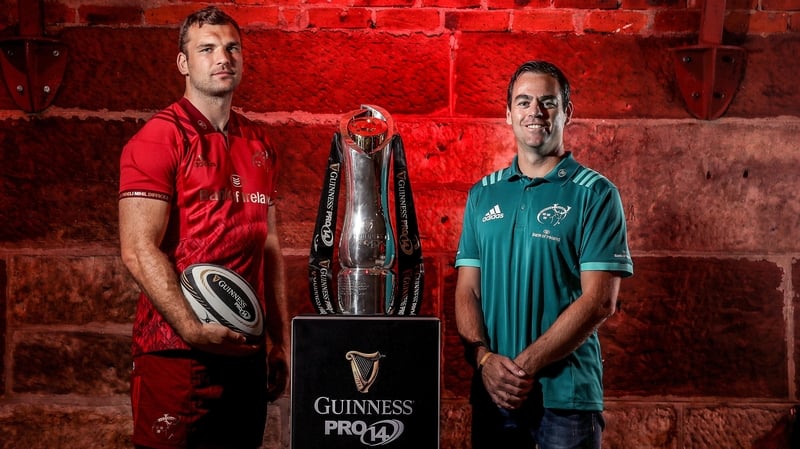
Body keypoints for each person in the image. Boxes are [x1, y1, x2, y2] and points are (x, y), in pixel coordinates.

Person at [118, 6, 289, 449]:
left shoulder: (260, 143)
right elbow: (138, 248)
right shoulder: (158, 138)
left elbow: (267, 244)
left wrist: (278, 339)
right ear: (183, 63)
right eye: (207, 48)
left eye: (232, 48)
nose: (223, 58)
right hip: (177, 352)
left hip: (244, 349)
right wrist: (191, 327)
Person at [454, 60, 634, 449]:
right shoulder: (483, 194)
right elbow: (467, 290)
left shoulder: (596, 194)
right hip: (494, 393)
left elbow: (600, 300)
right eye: (523, 102)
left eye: (548, 102)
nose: (535, 112)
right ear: (508, 114)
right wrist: (485, 361)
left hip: (565, 400)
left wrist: (520, 370)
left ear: (567, 112)